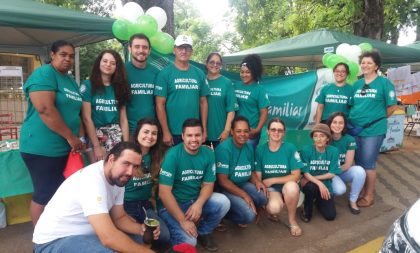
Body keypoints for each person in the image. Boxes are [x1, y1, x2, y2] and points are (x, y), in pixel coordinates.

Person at [33, 142, 159, 253]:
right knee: (124, 248)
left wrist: (141, 229)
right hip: (54, 242)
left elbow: (119, 217)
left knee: (137, 241)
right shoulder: (92, 180)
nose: (130, 172)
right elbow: (109, 238)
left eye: (135, 166)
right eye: (126, 163)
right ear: (111, 159)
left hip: (86, 235)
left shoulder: (118, 178)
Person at [20, 40, 84, 226]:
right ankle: (40, 242)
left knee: (58, 193)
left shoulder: (70, 80)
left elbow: (75, 112)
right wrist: (71, 137)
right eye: (63, 54)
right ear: (52, 55)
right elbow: (45, 109)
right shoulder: (44, 74)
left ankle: (54, 234)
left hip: (64, 148)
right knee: (44, 194)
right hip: (42, 147)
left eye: (71, 56)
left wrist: (79, 138)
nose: (68, 59)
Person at [158, 118, 230, 252]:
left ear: (203, 136)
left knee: (223, 202)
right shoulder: (173, 155)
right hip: (172, 205)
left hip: (193, 201)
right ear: (182, 136)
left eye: (197, 135)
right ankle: (174, 235)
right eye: (189, 135)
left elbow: (208, 184)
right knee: (189, 242)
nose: (193, 139)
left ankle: (203, 231)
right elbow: (164, 193)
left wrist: (199, 204)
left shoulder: (208, 153)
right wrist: (182, 220)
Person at [348, 50, 398, 207]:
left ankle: (369, 196)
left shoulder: (384, 83)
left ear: (376, 66)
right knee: (358, 162)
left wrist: (376, 120)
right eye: (363, 62)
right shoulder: (356, 84)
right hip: (354, 129)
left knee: (368, 163)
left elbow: (392, 107)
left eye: (369, 63)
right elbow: (351, 106)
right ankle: (361, 192)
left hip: (374, 130)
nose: (365, 65)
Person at [155, 35, 210, 146]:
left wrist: (204, 129)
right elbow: (159, 105)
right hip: (173, 132)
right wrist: (165, 131)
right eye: (180, 48)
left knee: (193, 162)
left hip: (194, 132)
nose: (184, 51)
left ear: (191, 51)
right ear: (174, 50)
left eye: (187, 48)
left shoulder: (199, 73)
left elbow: (203, 102)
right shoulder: (164, 74)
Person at [123, 118, 170, 245]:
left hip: (145, 206)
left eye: (154, 133)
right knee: (142, 240)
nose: (150, 136)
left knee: (164, 236)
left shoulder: (159, 155)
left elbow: (180, 152)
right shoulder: (126, 154)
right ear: (137, 133)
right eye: (146, 132)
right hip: (125, 207)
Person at [215, 116, 267, 227]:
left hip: (243, 183)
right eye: (238, 131)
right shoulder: (224, 149)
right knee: (249, 215)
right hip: (227, 187)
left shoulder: (249, 147)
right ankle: (224, 216)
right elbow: (223, 181)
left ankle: (241, 207)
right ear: (232, 132)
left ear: (249, 132)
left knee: (263, 196)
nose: (242, 134)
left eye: (245, 131)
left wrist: (257, 181)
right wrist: (244, 195)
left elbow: (251, 170)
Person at [255, 118, 303, 236]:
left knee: (292, 188)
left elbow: (296, 175)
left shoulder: (290, 148)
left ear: (284, 132)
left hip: (287, 186)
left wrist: (273, 180)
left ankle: (292, 221)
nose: (276, 132)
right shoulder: (260, 150)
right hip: (272, 190)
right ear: (268, 131)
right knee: (274, 208)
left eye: (280, 130)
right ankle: (275, 206)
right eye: (273, 129)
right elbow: (258, 177)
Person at [81, 50, 130, 162]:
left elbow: (123, 119)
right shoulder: (88, 85)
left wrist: (126, 145)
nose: (108, 65)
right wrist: (97, 146)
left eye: (113, 63)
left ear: (117, 67)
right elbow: (86, 118)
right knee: (98, 172)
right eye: (105, 61)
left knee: (115, 171)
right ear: (99, 62)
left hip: (116, 134)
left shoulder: (120, 87)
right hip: (96, 135)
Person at [299, 124, 341, 222]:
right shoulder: (306, 150)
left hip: (325, 185)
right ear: (313, 138)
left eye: (322, 136)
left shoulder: (334, 151)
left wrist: (319, 182)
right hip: (310, 184)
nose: (319, 139)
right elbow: (306, 173)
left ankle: (318, 201)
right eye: (316, 136)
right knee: (310, 187)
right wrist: (319, 183)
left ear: (327, 138)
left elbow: (332, 173)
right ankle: (307, 209)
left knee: (330, 216)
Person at [327, 112, 366, 215]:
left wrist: (334, 170)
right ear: (330, 124)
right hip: (329, 174)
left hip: (341, 170)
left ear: (344, 125)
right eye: (334, 122)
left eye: (341, 123)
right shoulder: (325, 138)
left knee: (360, 171)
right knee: (340, 190)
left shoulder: (349, 139)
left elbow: (348, 164)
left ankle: (352, 201)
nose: (337, 125)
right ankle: (327, 194)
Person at [126, 34, 160, 134]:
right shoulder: (121, 71)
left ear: (149, 51)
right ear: (129, 48)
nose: (141, 50)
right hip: (128, 131)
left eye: (145, 47)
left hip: (151, 130)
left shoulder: (157, 72)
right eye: (137, 47)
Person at [234, 54, 270, 148]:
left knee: (247, 159)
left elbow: (264, 112)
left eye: (247, 72)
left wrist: (257, 130)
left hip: (250, 133)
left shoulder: (259, 90)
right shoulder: (235, 86)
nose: (244, 75)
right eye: (242, 72)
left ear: (254, 72)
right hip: (235, 132)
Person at [205, 52, 238, 148]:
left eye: (218, 63)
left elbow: (231, 110)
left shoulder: (226, 83)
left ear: (221, 66)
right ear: (206, 64)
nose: (215, 65)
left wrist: (227, 130)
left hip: (221, 135)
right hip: (202, 134)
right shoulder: (201, 81)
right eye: (212, 62)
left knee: (221, 162)